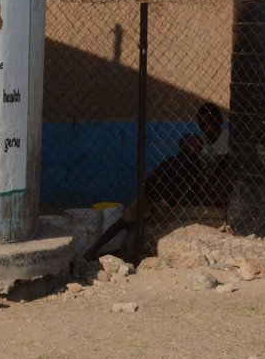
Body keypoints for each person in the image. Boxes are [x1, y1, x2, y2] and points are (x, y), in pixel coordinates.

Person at [83, 102, 229, 260]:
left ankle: (100, 252)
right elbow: (187, 183)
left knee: (127, 224)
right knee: (127, 224)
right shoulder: (188, 162)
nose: (200, 146)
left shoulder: (183, 160)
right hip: (153, 195)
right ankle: (99, 251)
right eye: (202, 123)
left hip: (154, 194)